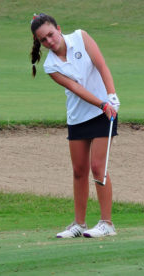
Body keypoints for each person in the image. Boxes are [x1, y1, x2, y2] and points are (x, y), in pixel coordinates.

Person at [30, 13, 120, 238]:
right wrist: (101, 103)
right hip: (79, 116)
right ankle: (79, 224)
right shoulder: (50, 65)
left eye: (51, 34)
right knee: (79, 171)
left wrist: (111, 96)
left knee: (98, 168)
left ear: (58, 29)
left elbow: (101, 65)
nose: (50, 41)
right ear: (39, 43)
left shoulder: (81, 36)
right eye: (43, 40)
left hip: (104, 112)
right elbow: (76, 88)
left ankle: (106, 223)